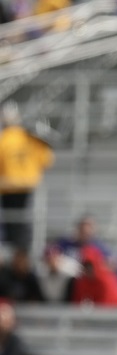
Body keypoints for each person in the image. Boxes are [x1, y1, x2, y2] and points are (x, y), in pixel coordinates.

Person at [0, 102, 54, 251]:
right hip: (30, 186)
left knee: (12, 223)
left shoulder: (3, 139)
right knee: (26, 222)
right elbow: (47, 160)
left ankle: (15, 250)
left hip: (8, 187)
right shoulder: (31, 138)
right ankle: (23, 249)